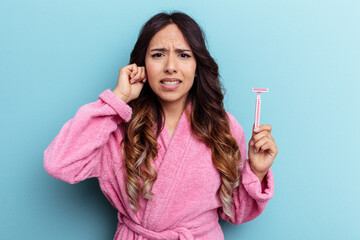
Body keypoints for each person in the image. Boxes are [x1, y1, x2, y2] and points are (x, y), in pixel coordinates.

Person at [44, 11, 278, 240]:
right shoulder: (116, 126)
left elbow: (237, 213)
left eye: (184, 55)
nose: (170, 67)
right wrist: (118, 99)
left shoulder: (222, 127)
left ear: (198, 67)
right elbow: (59, 164)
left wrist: (256, 172)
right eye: (158, 55)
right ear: (142, 64)